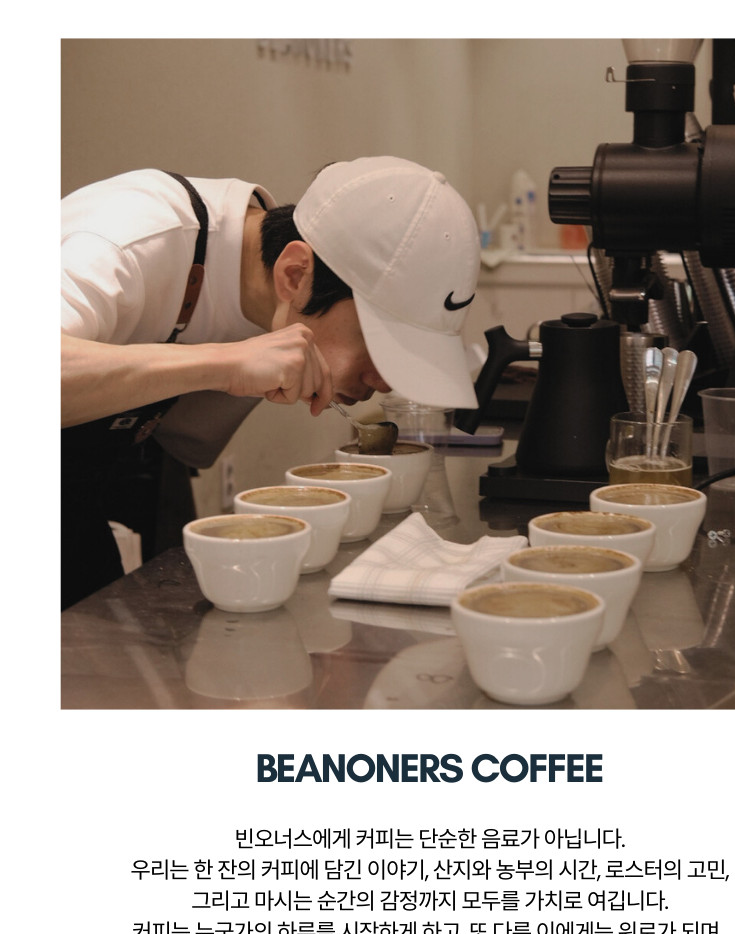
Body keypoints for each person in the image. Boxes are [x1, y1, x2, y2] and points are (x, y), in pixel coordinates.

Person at [61, 156, 481, 608]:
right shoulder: (128, 237)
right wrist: (224, 362)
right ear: (295, 274)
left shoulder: (271, 294)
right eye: (380, 344)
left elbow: (187, 445)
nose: (382, 382)